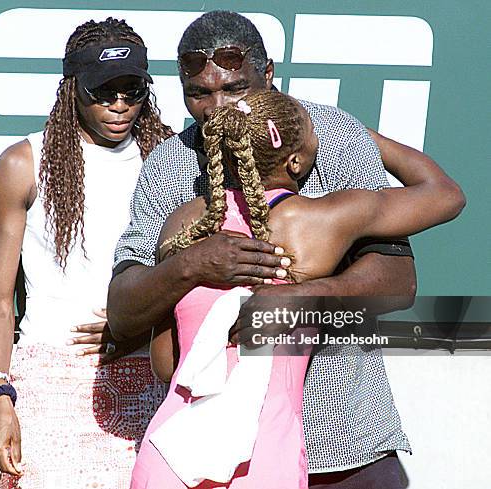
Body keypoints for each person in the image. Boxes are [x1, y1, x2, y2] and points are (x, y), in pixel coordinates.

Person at [107, 10, 465, 489]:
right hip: (203, 453)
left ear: (269, 76)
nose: (216, 108)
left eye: (234, 88)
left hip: (345, 441)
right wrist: (193, 264)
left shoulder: (331, 137)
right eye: (198, 93)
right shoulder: (170, 166)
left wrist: (299, 298)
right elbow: (125, 310)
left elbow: (398, 284)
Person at [0, 17, 171, 489]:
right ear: (72, 89)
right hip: (50, 378)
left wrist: (135, 323)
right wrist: (0, 397)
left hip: (151, 375)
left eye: (132, 90)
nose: (119, 105)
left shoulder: (170, 157)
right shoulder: (23, 164)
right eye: (102, 91)